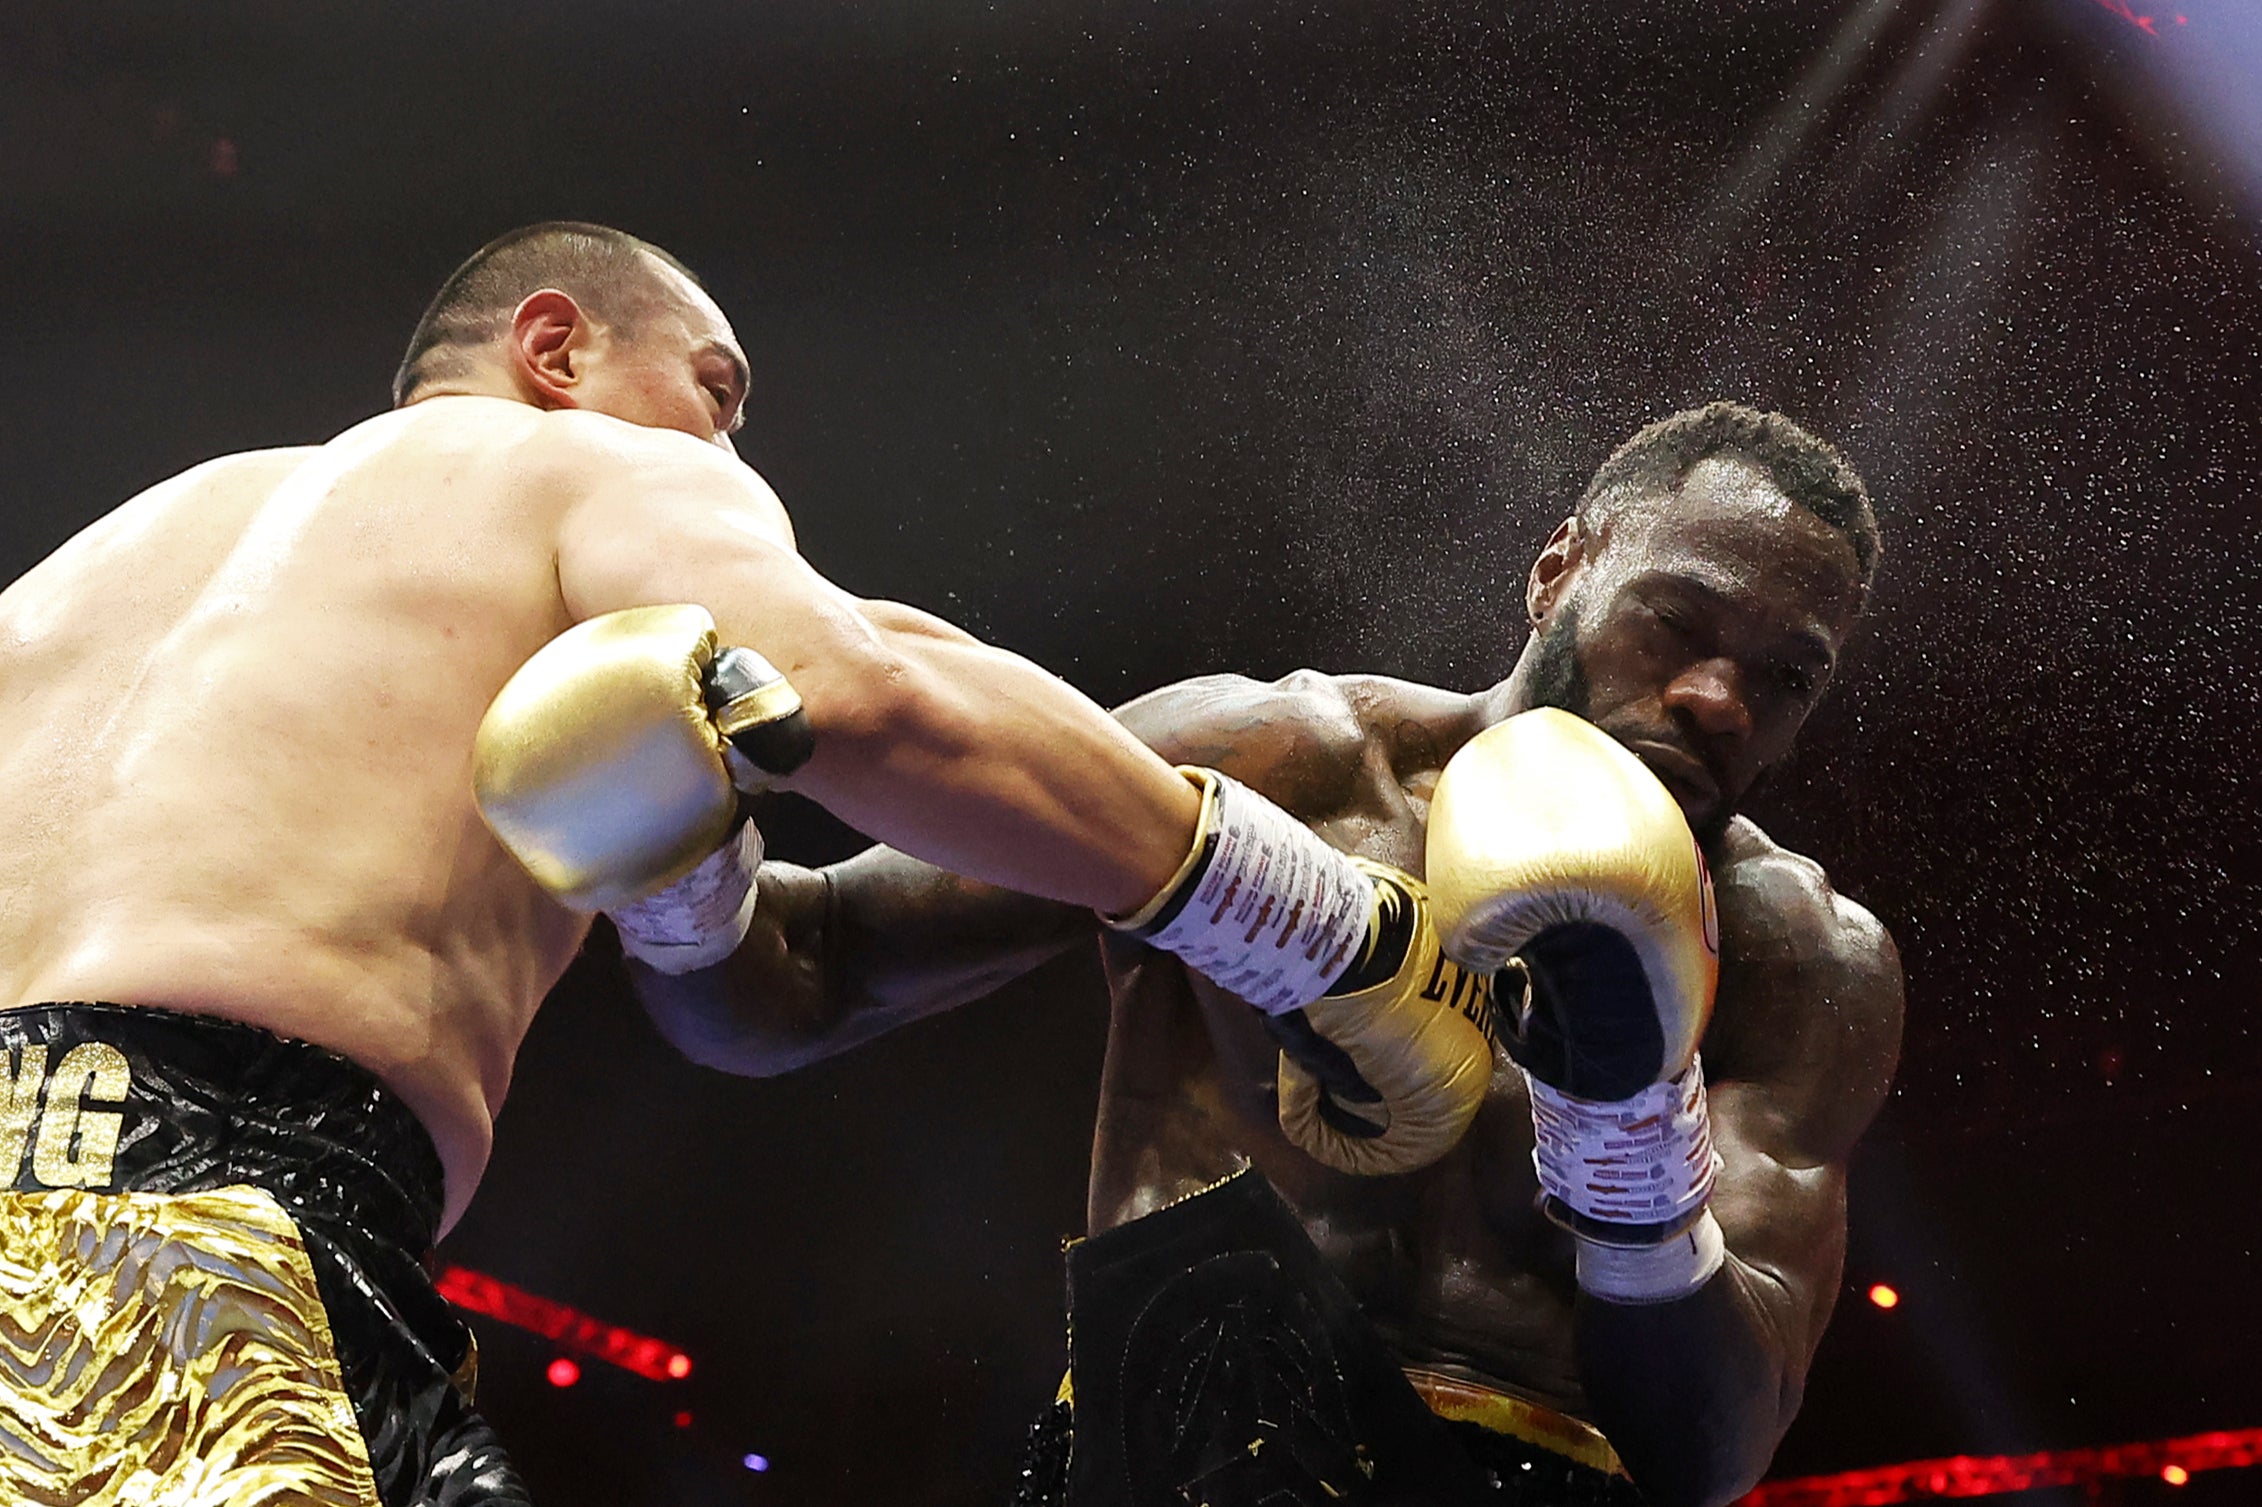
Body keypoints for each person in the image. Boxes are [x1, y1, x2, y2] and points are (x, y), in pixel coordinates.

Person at [0, 222, 1478, 1506]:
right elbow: (862, 686)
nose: (727, 456)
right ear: (553, 345)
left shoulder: (99, 563)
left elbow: (898, 648)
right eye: (715, 394)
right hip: (188, 1234)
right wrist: (1314, 924)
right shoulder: (582, 467)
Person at [651, 402, 1907, 1507]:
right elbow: (796, 977)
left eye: (1787, 675)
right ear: (1556, 572)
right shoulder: (1279, 764)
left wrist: (1630, 1128)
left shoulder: (1799, 955)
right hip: (1174, 1456)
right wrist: (665, 856)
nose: (1718, 700)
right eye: (1676, 621)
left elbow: (1715, 1449)